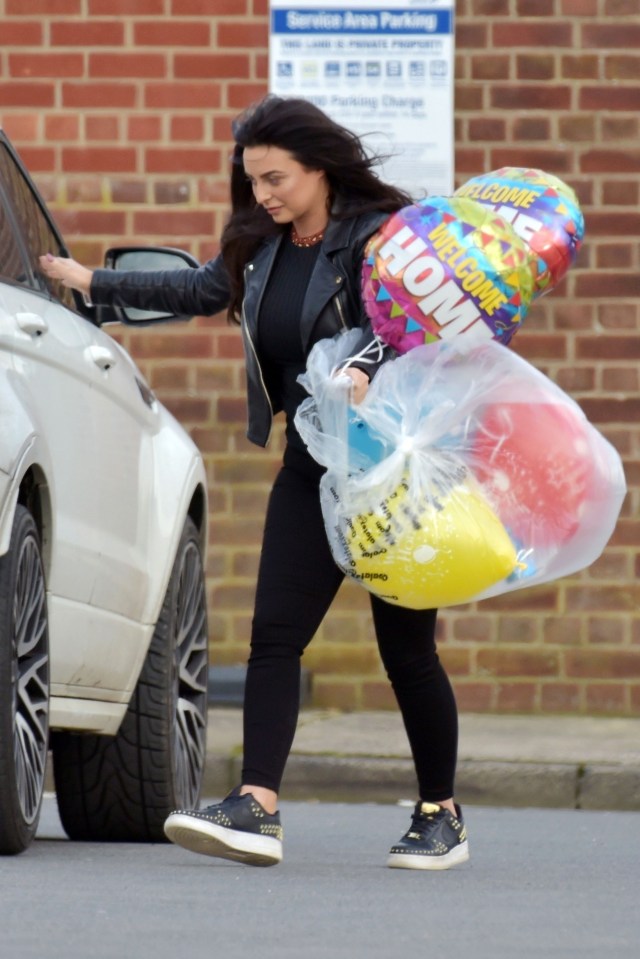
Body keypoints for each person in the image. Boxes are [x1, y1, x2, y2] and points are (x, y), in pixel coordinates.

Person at [40, 94, 469, 871]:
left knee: (405, 650)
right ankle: (257, 805)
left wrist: (367, 365)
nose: (264, 194)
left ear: (319, 169)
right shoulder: (262, 249)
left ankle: (440, 813)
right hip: (310, 464)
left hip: (390, 472)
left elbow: (412, 322)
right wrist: (89, 281)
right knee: (274, 636)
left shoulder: (380, 240)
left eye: (276, 179)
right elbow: (200, 291)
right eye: (255, 181)